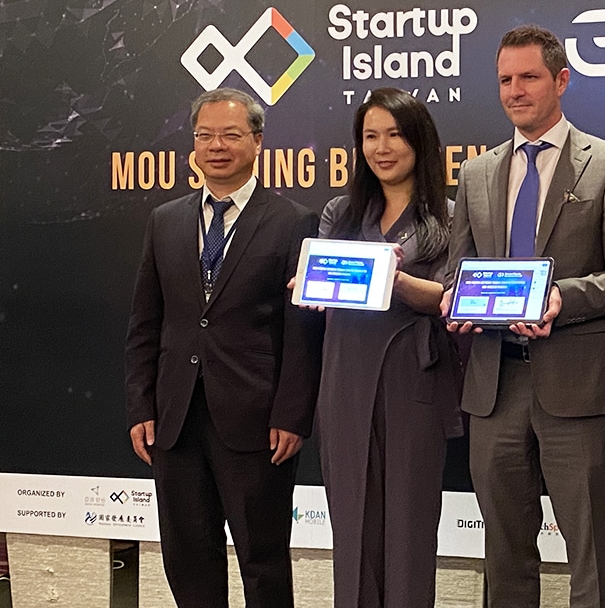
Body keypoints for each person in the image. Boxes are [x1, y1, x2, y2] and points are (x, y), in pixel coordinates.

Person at [441, 25, 605, 608]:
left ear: (561, 79)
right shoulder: (477, 173)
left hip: (578, 387)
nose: (515, 90)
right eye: (505, 79)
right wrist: (456, 302)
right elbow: (462, 270)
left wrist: (562, 296)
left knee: (590, 553)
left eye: (529, 77)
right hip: (494, 384)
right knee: (503, 554)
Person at [125, 87, 324, 608]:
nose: (217, 145)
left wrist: (293, 415)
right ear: (193, 145)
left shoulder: (293, 222)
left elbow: (302, 333)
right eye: (205, 135)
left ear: (257, 142)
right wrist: (141, 405)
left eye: (231, 135)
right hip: (176, 419)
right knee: (188, 558)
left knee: (264, 562)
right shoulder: (164, 221)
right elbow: (146, 323)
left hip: (257, 422)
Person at [314, 87, 463, 608]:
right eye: (370, 136)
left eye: (395, 135)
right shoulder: (340, 212)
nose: (382, 148)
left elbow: (448, 297)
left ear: (419, 142)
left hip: (414, 383)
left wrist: (387, 276)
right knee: (351, 531)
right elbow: (327, 284)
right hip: (345, 382)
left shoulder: (449, 216)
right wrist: (313, 285)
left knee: (408, 531)